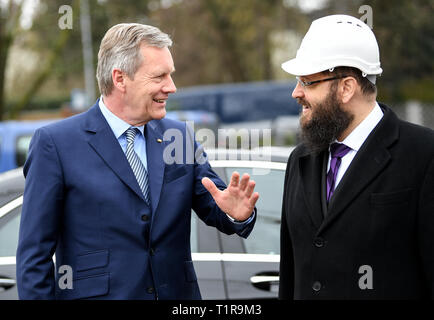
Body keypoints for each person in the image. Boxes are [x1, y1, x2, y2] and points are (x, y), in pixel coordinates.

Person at [16, 23, 259, 300]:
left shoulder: (177, 136)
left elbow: (215, 204)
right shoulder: (56, 144)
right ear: (120, 79)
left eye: (171, 75)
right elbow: (34, 257)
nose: (172, 87)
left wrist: (235, 213)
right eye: (160, 77)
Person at [279, 14, 434, 299]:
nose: (296, 93)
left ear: (347, 87)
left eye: (308, 82)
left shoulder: (424, 154)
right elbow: (291, 276)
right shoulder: (300, 159)